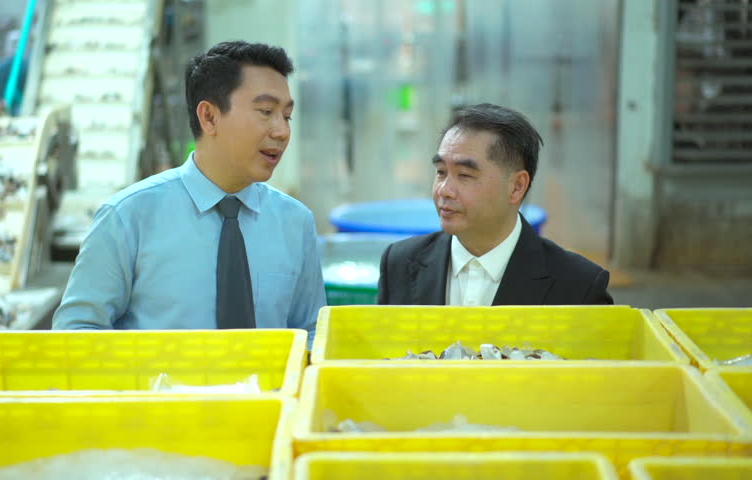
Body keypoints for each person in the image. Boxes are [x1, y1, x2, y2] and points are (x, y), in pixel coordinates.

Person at [53, 41, 326, 341]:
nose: (282, 131)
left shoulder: (295, 223)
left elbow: (310, 333)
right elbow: (77, 332)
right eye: (265, 111)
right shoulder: (128, 218)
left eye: (286, 116)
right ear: (209, 117)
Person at [377, 103, 613, 306]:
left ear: (516, 186)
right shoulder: (399, 264)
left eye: (465, 175)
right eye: (440, 172)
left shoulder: (578, 285)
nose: (444, 190)